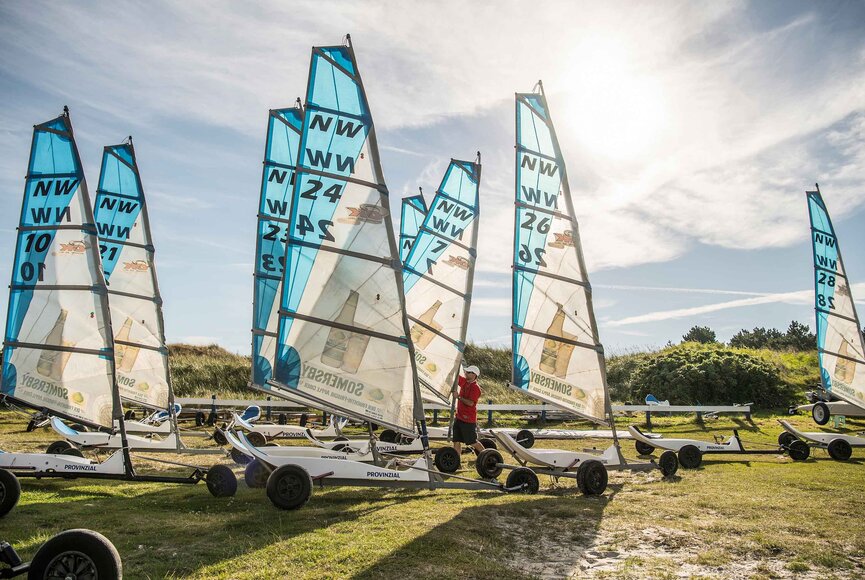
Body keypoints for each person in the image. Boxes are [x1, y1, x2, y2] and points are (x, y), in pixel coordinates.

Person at [452, 365, 484, 455]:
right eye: (466, 371)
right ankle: (457, 462)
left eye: (468, 372)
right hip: (459, 417)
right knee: (456, 441)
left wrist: (458, 397)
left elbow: (470, 403)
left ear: (474, 375)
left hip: (468, 420)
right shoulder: (465, 382)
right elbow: (455, 376)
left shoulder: (476, 388)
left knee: (472, 442)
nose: (466, 373)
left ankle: (487, 456)